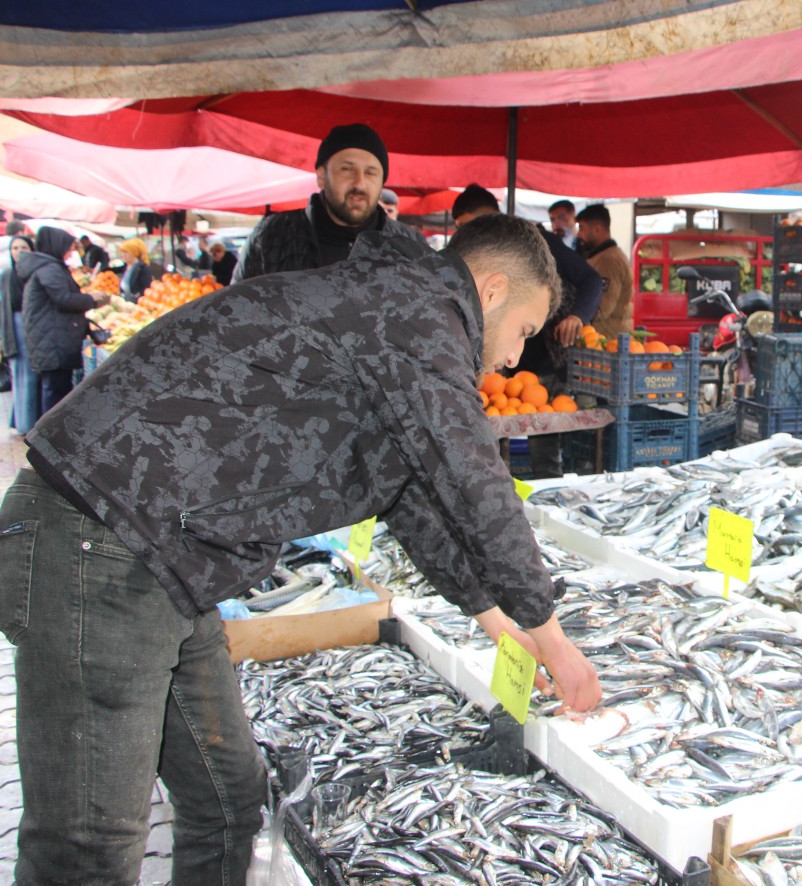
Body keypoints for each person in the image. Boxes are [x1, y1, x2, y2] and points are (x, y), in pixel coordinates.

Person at [0, 214, 602, 885]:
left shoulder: (393, 311)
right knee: (87, 849)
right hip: (100, 539)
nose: (516, 358)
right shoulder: (415, 312)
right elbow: (472, 476)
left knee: (228, 800)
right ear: (490, 292)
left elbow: (407, 493)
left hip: (168, 555)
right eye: (523, 330)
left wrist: (495, 621)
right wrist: (549, 632)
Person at [452, 185, 602, 477]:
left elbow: (591, 280)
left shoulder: (535, 242)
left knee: (542, 438)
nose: (468, 238)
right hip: (496, 367)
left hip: (545, 361)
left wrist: (577, 316)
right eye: (461, 230)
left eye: (471, 226)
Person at [233, 123, 423, 281]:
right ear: (321, 177)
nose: (359, 183)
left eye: (370, 173)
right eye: (346, 170)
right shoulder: (271, 236)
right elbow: (234, 313)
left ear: (382, 182)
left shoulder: (410, 245)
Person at [19, 227, 111, 417]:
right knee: (55, 392)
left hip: (52, 339)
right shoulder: (49, 269)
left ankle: (51, 436)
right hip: (52, 342)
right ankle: (50, 439)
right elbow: (63, 299)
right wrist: (92, 300)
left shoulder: (47, 267)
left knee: (56, 390)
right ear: (57, 246)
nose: (70, 252)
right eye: (68, 248)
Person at [0, 235, 41, 432]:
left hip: (32, 326)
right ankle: (24, 423)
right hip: (16, 327)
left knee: (30, 375)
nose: (19, 251)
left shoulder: (35, 272)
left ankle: (26, 421)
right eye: (15, 248)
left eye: (23, 247)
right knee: (21, 374)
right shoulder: (9, 274)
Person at [576, 203, 634, 339]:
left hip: (609, 343)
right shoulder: (600, 257)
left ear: (597, 229)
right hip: (601, 340)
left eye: (581, 228)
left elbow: (600, 308)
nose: (578, 234)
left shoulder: (609, 260)